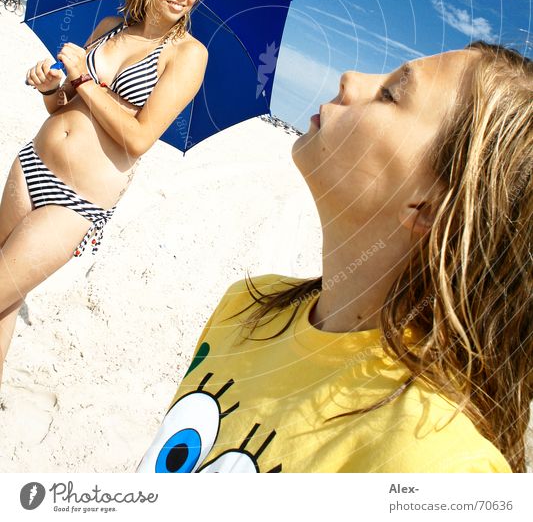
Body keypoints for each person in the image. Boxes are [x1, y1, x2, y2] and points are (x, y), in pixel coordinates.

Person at [137, 42, 531, 473]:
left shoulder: (434, 462)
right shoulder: (247, 307)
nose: (350, 78)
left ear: (430, 208)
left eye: (390, 94)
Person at [0, 0, 208, 386]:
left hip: (76, 200)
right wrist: (49, 88)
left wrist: (84, 78)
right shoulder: (112, 25)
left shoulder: (188, 54)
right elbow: (62, 108)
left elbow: (138, 138)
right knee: (7, 300)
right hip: (32, 162)